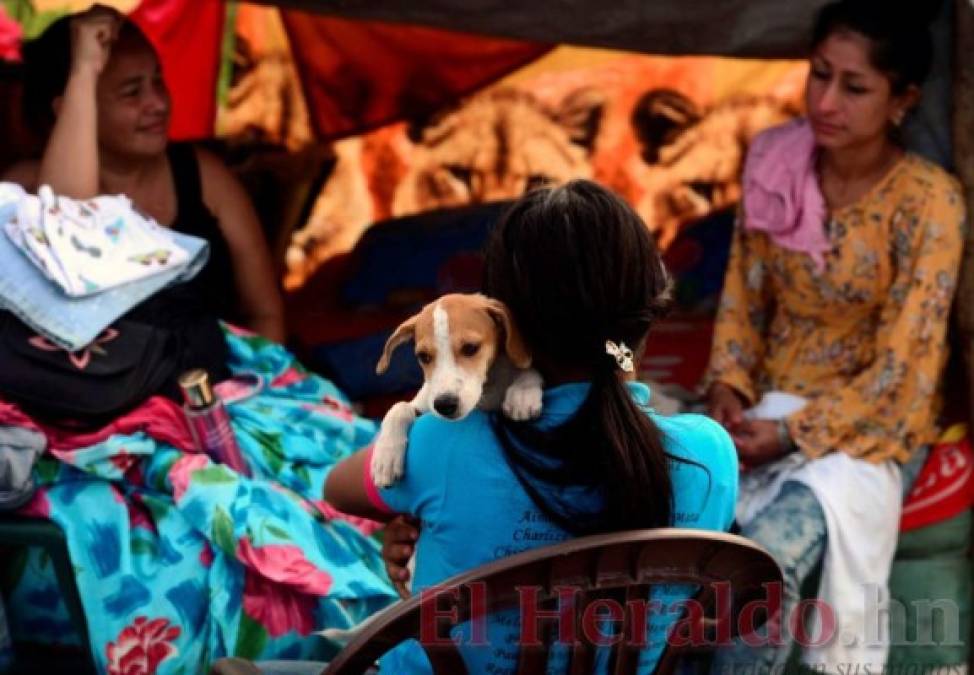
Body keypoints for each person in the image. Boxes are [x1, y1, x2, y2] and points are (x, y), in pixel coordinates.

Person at [324, 179, 739, 674]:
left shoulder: (441, 443)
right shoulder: (709, 455)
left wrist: (421, 520)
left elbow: (337, 488)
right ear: (649, 310)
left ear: (502, 320)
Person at [703, 1, 965, 671]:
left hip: (871, 428)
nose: (826, 100)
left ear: (903, 99)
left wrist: (793, 435)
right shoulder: (775, 160)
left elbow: (902, 373)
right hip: (768, 403)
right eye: (819, 75)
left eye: (854, 86)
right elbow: (743, 298)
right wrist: (729, 387)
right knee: (675, 529)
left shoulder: (928, 201)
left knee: (762, 556)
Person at [3, 5, 285, 343]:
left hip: (219, 384)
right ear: (70, 108)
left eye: (157, 80)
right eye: (132, 92)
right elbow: (72, 229)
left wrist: (259, 380)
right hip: (95, 392)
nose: (158, 103)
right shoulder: (24, 191)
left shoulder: (203, 176)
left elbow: (265, 312)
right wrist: (83, 69)